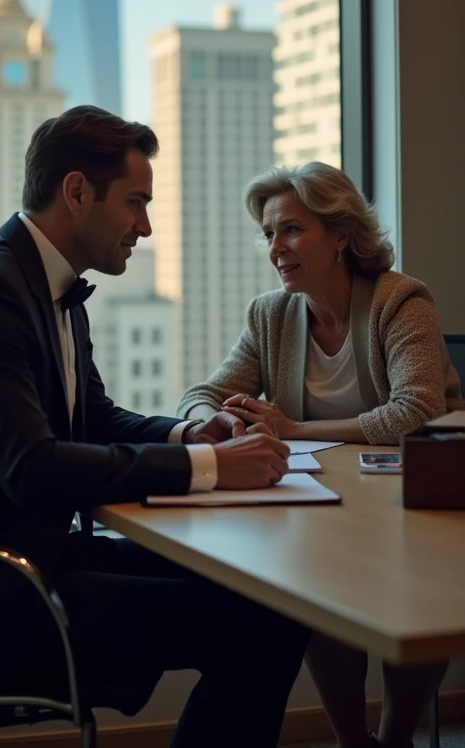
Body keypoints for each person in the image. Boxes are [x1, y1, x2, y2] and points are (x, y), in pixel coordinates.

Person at [0, 106, 308, 748]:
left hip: (36, 559)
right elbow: (32, 468)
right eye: (135, 202)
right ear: (76, 192)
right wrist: (215, 470)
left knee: (266, 595)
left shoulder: (46, 285)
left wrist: (191, 436)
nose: (145, 226)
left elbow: (96, 419)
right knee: (263, 625)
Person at [177, 161, 461, 748]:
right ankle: (354, 741)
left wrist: (292, 428)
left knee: (406, 591)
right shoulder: (271, 314)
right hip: (332, 502)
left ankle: (395, 737)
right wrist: (214, 423)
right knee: (320, 592)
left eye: (291, 230)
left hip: (419, 499)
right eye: (268, 235)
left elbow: (417, 413)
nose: (276, 248)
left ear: (340, 235)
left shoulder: (400, 300)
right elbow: (199, 395)